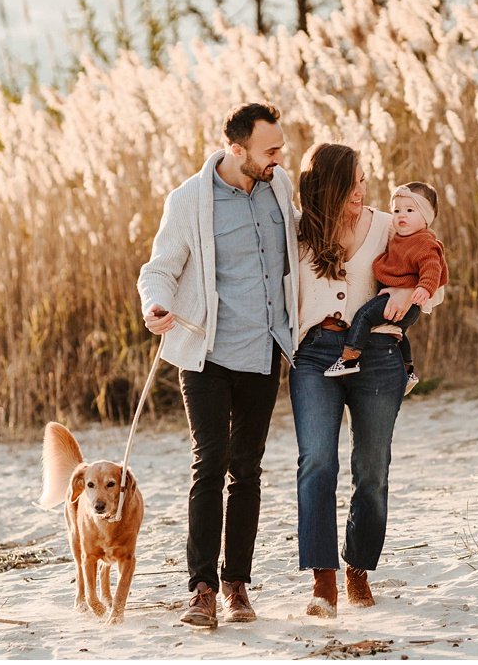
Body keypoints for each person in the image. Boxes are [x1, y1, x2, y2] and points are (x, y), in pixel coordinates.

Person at [137, 102, 298, 629]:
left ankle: (237, 585)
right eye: (270, 149)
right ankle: (201, 587)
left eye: (280, 148)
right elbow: (159, 268)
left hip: (263, 350)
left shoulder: (279, 187)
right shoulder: (190, 200)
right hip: (205, 353)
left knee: (246, 469)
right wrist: (154, 306)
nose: (279, 157)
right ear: (236, 149)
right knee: (209, 465)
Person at [289, 142, 416, 618]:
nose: (361, 192)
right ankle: (322, 578)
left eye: (364, 181)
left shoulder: (388, 226)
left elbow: (433, 273)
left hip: (378, 358)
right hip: (315, 355)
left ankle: (357, 567)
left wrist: (406, 293)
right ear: (326, 187)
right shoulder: (296, 232)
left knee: (372, 468)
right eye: (351, 184)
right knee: (317, 461)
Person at [323, 182, 448, 395]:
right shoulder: (401, 237)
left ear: (426, 216)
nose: (401, 216)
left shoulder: (424, 242)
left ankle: (349, 359)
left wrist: (424, 289)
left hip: (408, 301)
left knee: (364, 316)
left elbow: (432, 267)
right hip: (397, 296)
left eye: (410, 210)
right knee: (396, 332)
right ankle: (407, 370)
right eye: (397, 210)